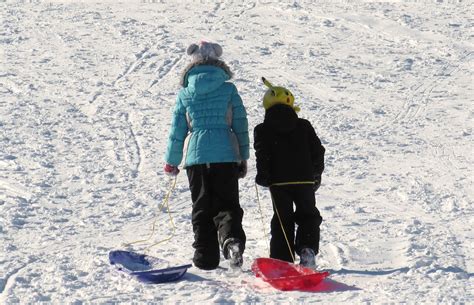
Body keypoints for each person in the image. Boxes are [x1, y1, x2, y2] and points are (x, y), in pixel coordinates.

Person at [164, 41, 249, 270]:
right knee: (227, 204)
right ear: (217, 60)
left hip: (197, 158)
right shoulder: (228, 89)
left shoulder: (185, 92)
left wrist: (172, 161)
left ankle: (205, 257)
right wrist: (243, 155)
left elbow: (177, 130)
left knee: (202, 207)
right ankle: (231, 241)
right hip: (226, 154)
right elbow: (240, 123)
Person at [253, 77, 325, 269]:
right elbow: (318, 151)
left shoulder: (262, 129)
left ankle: (281, 259)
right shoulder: (304, 126)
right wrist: (316, 173)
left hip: (278, 182)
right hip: (304, 180)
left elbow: (263, 153)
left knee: (282, 219)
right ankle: (307, 249)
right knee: (308, 215)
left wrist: (264, 174)